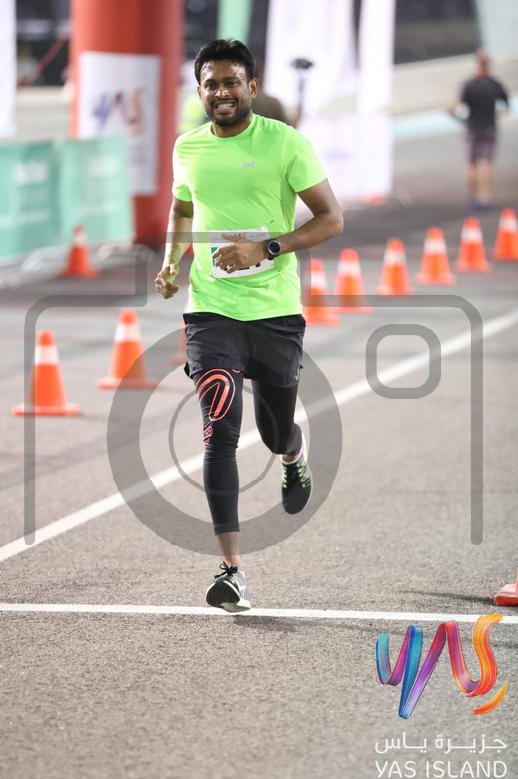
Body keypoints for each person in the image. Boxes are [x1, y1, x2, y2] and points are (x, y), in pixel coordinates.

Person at [155, 39, 343, 612]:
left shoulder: (285, 142)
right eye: (211, 83)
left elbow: (331, 219)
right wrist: (171, 261)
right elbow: (183, 208)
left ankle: (292, 456)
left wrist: (267, 247)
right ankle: (231, 569)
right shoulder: (188, 147)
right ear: (199, 90)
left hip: (274, 310)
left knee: (274, 429)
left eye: (232, 82)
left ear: (252, 87)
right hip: (211, 310)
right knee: (219, 429)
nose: (222, 92)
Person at [449, 49, 509, 210]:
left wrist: (458, 118)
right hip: (489, 126)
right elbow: (506, 107)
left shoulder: (469, 84)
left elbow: (455, 109)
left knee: (471, 163)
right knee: (487, 162)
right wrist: (497, 114)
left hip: (472, 128)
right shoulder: (494, 84)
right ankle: (486, 198)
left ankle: (474, 197)